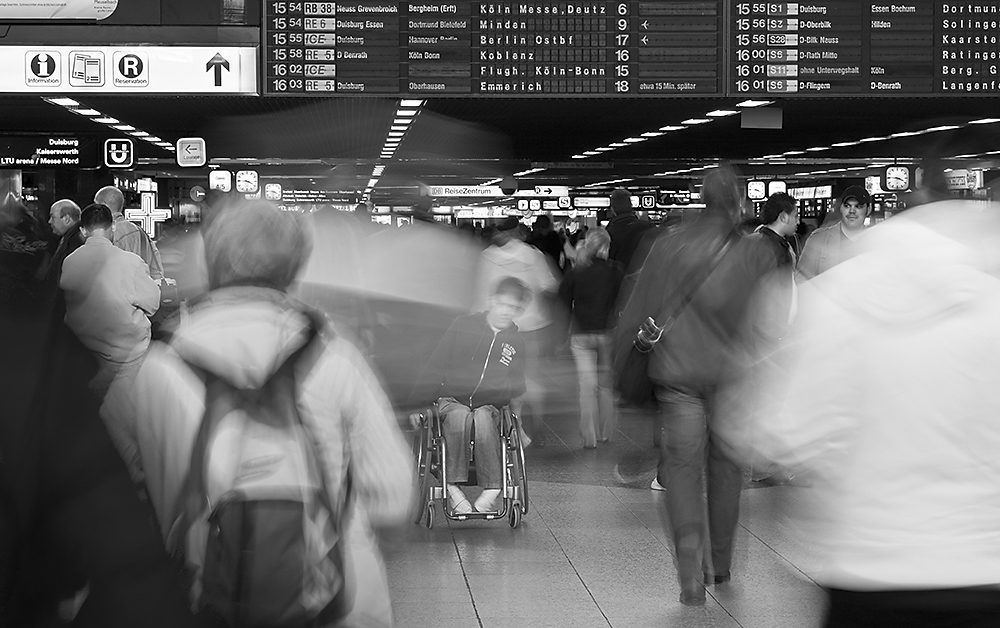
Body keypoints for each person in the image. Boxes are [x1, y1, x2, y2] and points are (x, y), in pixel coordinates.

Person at [120, 200, 413, 628]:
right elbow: (393, 495)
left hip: (200, 599)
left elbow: (102, 495)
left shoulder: (156, 367)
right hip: (338, 603)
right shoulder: (333, 354)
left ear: (212, 264)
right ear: (293, 269)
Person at [750, 198, 1000, 627]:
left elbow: (792, 433)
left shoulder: (840, 297)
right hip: (985, 571)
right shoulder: (991, 303)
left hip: (871, 570)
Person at [616, 166, 777, 605]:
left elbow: (639, 307)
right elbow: (768, 322)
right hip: (732, 379)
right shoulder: (758, 252)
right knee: (726, 471)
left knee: (682, 471)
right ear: (739, 200)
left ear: (702, 198)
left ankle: (690, 565)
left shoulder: (666, 244)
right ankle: (719, 564)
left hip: (678, 377)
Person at [411, 276, 529, 514]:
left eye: (513, 308)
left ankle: (493, 489)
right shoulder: (463, 325)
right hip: (452, 398)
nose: (507, 312)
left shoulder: (516, 343)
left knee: (484, 418)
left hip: (489, 405)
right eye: (503, 304)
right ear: (492, 301)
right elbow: (437, 363)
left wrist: (520, 425)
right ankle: (452, 489)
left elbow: (517, 387)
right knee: (459, 416)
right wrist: (417, 402)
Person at [60, 203, 160, 402]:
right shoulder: (130, 262)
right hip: (127, 357)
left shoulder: (69, 261)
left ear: (82, 230)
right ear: (112, 227)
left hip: (84, 352)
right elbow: (153, 304)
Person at [473, 216, 559, 445]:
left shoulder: (486, 257)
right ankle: (538, 428)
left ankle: (511, 427)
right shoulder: (533, 255)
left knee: (500, 377)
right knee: (531, 376)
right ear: (518, 231)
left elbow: (481, 297)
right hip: (531, 326)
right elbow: (550, 285)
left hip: (499, 328)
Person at [558, 228, 623, 448]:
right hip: (607, 333)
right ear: (605, 247)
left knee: (586, 386)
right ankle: (606, 432)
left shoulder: (575, 272)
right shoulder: (615, 271)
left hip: (580, 334)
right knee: (605, 386)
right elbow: (623, 302)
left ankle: (589, 436)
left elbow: (563, 304)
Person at [94, 185, 165, 284]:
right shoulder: (141, 232)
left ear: (104, 205)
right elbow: (157, 270)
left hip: (119, 295)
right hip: (144, 293)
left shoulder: (107, 235)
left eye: (96, 205)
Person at [797, 185, 871, 280]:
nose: (852, 211)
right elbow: (801, 279)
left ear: (868, 210)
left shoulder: (876, 242)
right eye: (847, 206)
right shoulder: (819, 239)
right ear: (841, 208)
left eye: (858, 206)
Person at [606, 188, 654, 274]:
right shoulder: (647, 227)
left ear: (613, 209)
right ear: (631, 206)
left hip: (622, 281)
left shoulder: (610, 233)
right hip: (646, 277)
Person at [42, 198, 85, 285]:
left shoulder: (76, 242)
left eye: (53, 217)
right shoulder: (70, 238)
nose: (49, 221)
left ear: (67, 219)